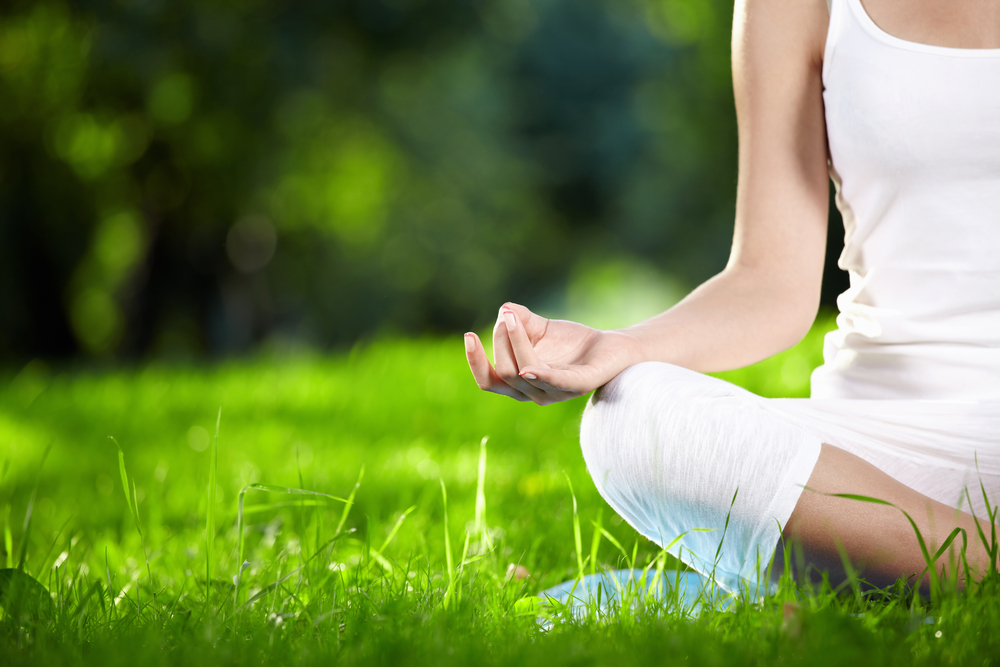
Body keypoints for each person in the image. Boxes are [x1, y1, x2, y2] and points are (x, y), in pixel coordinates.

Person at [464, 0, 1000, 592]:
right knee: (630, 414)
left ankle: (897, 581)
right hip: (869, 462)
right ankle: (952, 570)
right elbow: (769, 279)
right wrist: (615, 348)